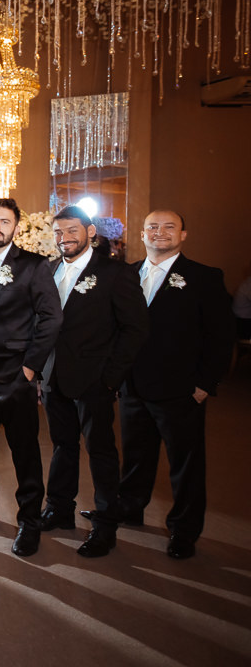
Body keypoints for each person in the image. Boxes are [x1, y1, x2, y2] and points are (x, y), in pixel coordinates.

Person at [111, 210, 234, 559]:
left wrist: (205, 383)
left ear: (183, 235)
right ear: (142, 234)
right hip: (133, 385)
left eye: (169, 227)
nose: (159, 233)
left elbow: (220, 335)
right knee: (135, 455)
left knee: (185, 463)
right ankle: (130, 506)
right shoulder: (126, 273)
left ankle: (184, 529)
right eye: (152, 227)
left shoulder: (204, 277)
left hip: (181, 389)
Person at [40, 205, 148, 557]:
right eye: (58, 232)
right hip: (53, 376)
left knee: (100, 451)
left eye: (72, 230)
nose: (64, 238)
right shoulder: (48, 269)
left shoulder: (115, 273)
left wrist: (111, 378)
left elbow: (135, 329)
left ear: (90, 232)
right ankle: (59, 509)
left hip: (95, 380)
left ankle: (105, 524)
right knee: (62, 446)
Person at [0, 199, 62, 558]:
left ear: (16, 228)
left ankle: (29, 522)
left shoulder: (34, 266)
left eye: (4, 222)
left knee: (25, 453)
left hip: (14, 375)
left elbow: (51, 318)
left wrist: (30, 367)